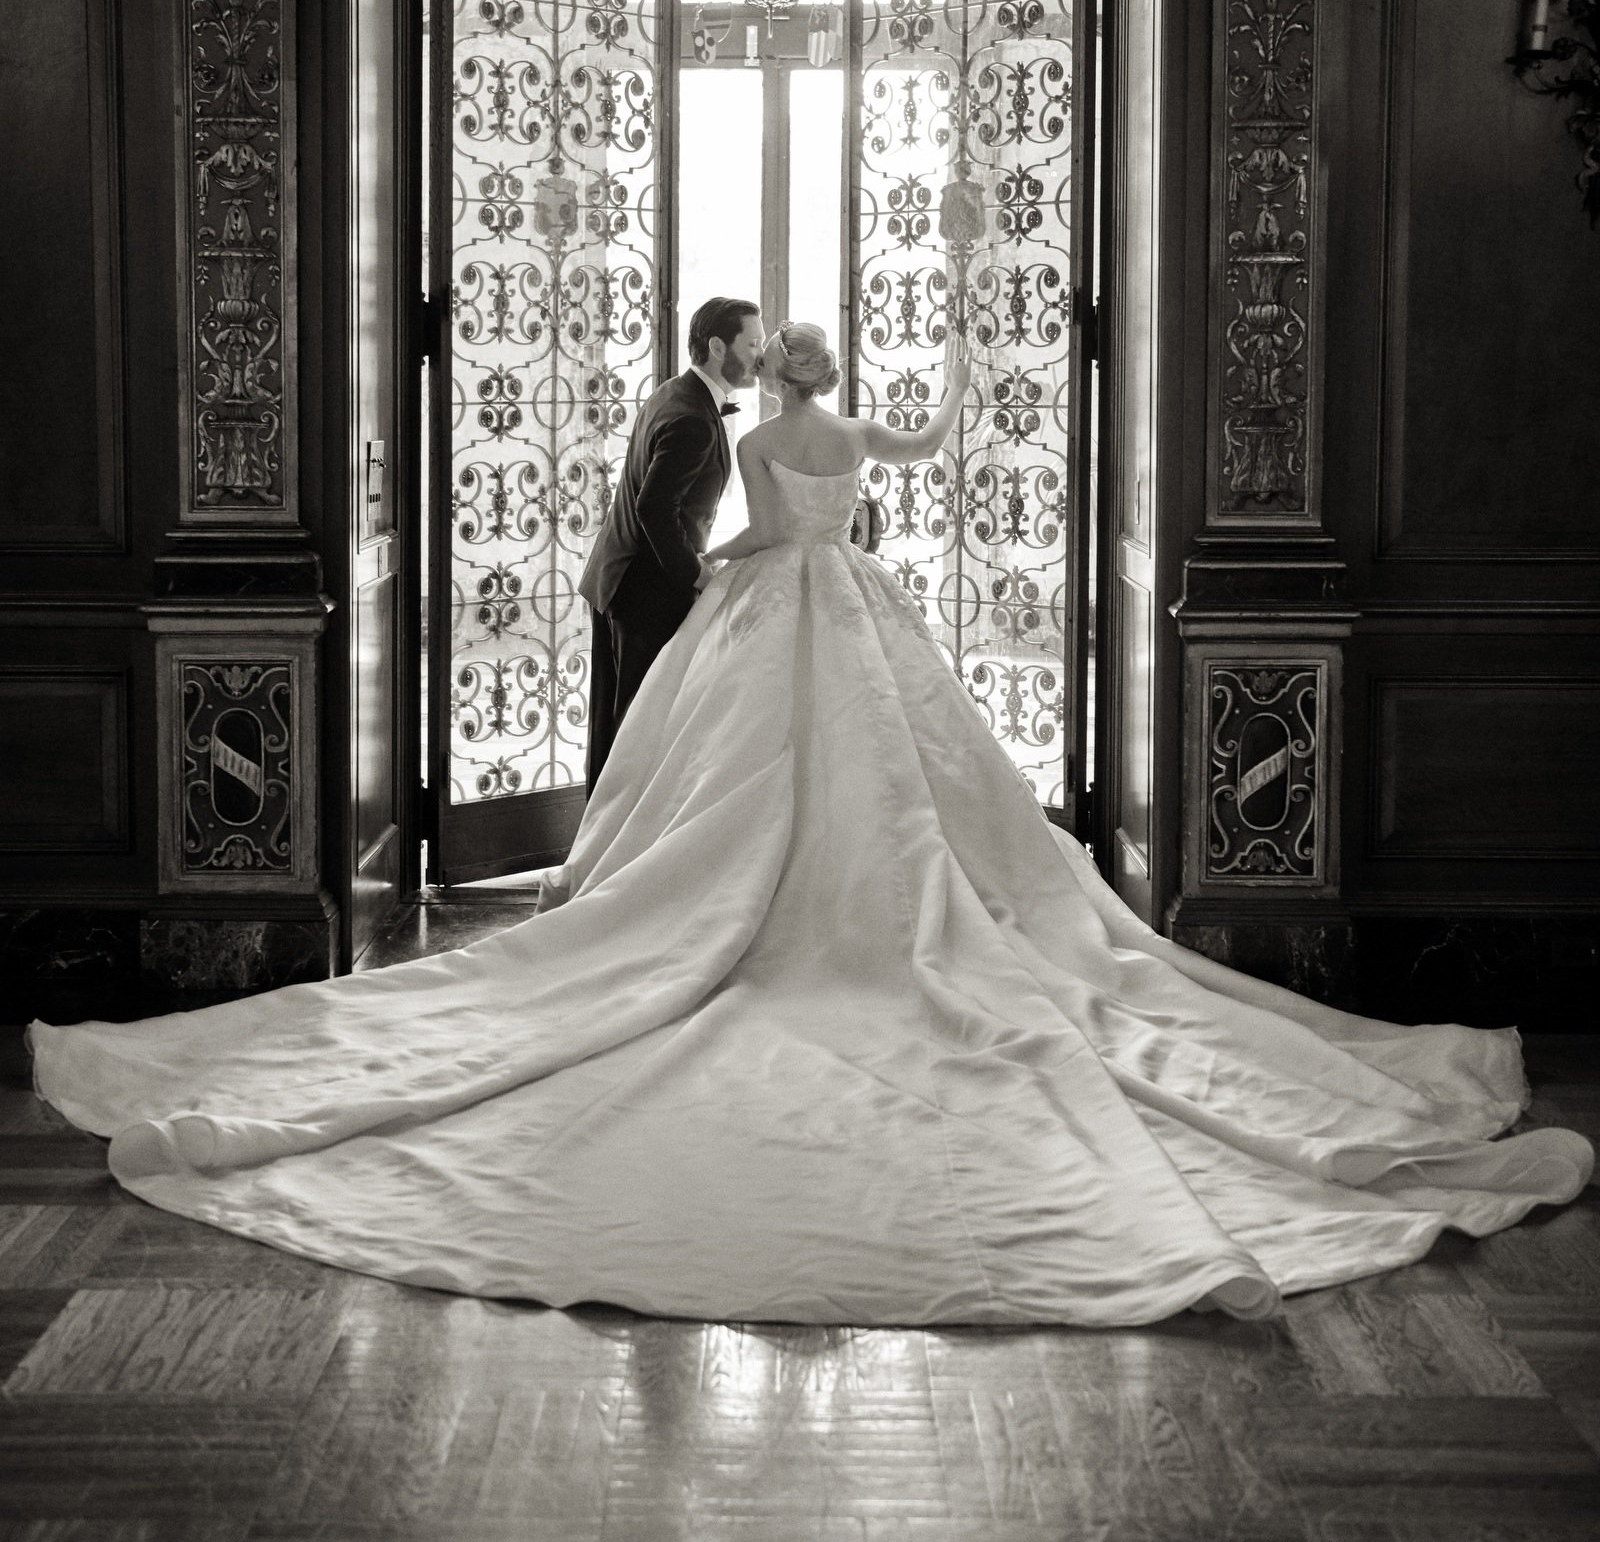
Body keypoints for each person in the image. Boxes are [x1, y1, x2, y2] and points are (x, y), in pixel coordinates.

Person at [28, 324, 1592, 1327]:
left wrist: (729, 563)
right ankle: (874, 925)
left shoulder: (767, 441)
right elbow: (894, 479)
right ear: (831, 376)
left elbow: (745, 532)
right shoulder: (853, 437)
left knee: (733, 787)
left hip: (774, 606)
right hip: (865, 607)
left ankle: (728, 920)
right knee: (924, 795)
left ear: (772, 378)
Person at [578, 294, 765, 792]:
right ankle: (613, 848)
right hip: (644, 591)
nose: (761, 356)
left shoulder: (677, 393)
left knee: (620, 727)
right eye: (753, 343)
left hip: (621, 577)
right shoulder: (691, 418)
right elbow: (654, 510)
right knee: (635, 730)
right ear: (717, 347)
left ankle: (601, 844)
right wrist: (700, 574)